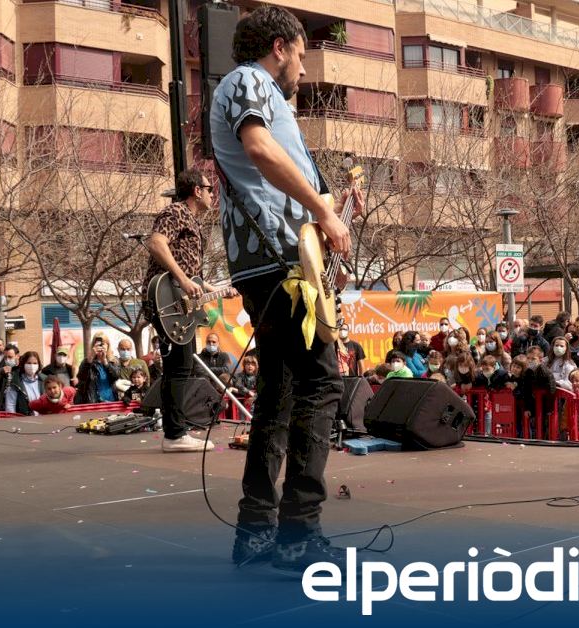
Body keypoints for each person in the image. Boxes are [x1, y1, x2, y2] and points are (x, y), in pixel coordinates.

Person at [213, 6, 357, 571]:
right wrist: (323, 208)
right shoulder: (248, 81)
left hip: (271, 259)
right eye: (301, 54)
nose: (302, 68)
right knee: (321, 382)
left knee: (280, 389)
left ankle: (255, 533)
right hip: (279, 263)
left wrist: (327, 213)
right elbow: (257, 147)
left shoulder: (258, 93)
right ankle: (299, 533)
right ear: (280, 46)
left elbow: (272, 173)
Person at [143, 168, 233, 453]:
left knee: (179, 366)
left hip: (180, 299)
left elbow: (194, 277)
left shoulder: (192, 220)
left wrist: (218, 289)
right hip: (168, 298)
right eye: (209, 189)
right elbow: (156, 242)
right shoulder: (177, 212)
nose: (212, 194)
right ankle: (175, 434)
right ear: (196, 190)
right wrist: (182, 280)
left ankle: (175, 431)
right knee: (180, 366)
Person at [75, 337, 120, 404]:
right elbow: (81, 377)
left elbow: (116, 376)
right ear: (93, 347)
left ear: (108, 346)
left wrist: (105, 362)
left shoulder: (113, 361)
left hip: (111, 401)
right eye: (98, 345)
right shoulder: (86, 362)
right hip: (94, 402)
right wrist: (90, 359)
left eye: (102, 344)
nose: (100, 347)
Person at [3, 351, 44, 416]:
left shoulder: (43, 380)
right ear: (23, 364)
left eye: (35, 363)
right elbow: (10, 406)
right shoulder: (15, 382)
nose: (32, 366)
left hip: (43, 419)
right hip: (23, 420)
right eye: (29, 363)